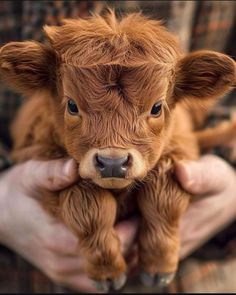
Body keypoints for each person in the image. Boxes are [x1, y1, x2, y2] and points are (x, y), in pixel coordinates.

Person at [0, 1, 235, 292]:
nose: (113, 150)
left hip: (201, 276)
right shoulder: (45, 102)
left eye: (156, 108)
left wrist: (231, 174)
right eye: (73, 107)